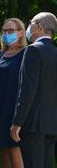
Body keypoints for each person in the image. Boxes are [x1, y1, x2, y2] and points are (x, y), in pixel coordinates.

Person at [11, 12, 57, 168]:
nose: (29, 27)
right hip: (52, 123)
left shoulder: (33, 50)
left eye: (31, 23)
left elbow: (27, 89)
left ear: (39, 27)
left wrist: (18, 122)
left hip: (34, 124)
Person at [0, 18, 26, 168]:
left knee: (13, 147)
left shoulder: (26, 54)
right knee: (2, 148)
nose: (7, 34)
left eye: (11, 31)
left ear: (21, 33)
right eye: (4, 31)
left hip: (13, 108)